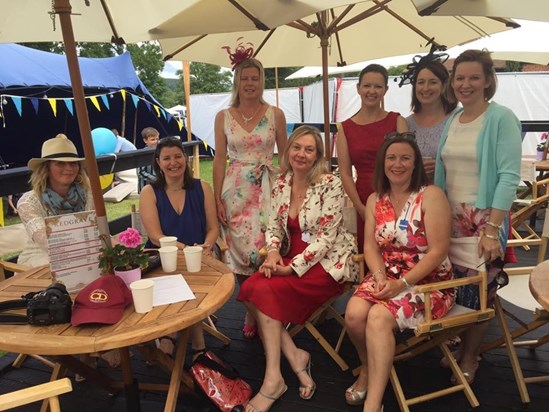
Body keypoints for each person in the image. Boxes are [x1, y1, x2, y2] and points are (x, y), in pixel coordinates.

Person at [237, 126, 358, 412]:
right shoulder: (281, 183)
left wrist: (291, 270)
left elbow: (327, 238)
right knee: (250, 287)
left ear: (318, 156)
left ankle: (272, 380)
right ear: (288, 149)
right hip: (290, 256)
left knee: (261, 291)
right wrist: (275, 251)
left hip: (327, 263)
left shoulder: (331, 183)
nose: (301, 154)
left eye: (309, 149)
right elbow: (275, 226)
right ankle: (294, 356)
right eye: (297, 147)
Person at [344, 133, 455, 411]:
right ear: (383, 163)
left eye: (405, 158)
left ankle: (374, 403)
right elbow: (370, 246)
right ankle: (368, 367)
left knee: (379, 317)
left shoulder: (431, 196)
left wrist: (403, 283)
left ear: (415, 163)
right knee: (355, 315)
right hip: (388, 275)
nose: (398, 164)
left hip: (429, 282)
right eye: (391, 158)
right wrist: (380, 277)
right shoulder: (374, 199)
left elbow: (438, 251)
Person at [434, 49, 521, 384]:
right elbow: (443, 171)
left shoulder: (501, 118)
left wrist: (492, 228)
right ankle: (462, 347)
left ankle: (471, 355)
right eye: (459, 77)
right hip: (451, 219)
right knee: (457, 288)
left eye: (473, 77)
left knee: (481, 292)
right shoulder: (453, 119)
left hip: (484, 220)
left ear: (487, 81)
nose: (465, 84)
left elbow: (509, 176)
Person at [213, 56, 287, 339]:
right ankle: (250, 308)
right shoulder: (223, 116)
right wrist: (218, 198)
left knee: (266, 246)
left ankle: (266, 307)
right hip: (235, 191)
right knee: (239, 251)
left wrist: (289, 190)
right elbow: (219, 159)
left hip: (269, 186)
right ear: (237, 82)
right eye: (244, 78)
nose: (250, 83)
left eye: (254, 78)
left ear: (261, 81)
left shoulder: (275, 114)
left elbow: (287, 155)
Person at [140, 136, 219, 357]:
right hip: (162, 259)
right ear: (158, 162)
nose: (173, 162)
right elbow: (156, 237)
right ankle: (187, 340)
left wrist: (207, 245)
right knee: (179, 279)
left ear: (185, 158)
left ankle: (179, 338)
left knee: (191, 276)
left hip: (200, 255)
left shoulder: (202, 187)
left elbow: (213, 228)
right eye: (166, 158)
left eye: (177, 156)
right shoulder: (149, 192)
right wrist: (188, 250)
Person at [337, 64, 408, 250]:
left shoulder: (397, 121)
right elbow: (344, 173)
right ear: (358, 88)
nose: (372, 91)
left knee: (400, 247)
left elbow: (409, 162)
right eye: (367, 86)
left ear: (385, 89)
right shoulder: (345, 128)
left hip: (397, 193)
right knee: (369, 249)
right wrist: (360, 207)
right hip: (364, 197)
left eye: (378, 86)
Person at [17, 134, 93, 267]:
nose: (69, 168)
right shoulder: (28, 202)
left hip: (85, 253)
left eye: (73, 163)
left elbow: (98, 228)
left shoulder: (88, 194)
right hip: (41, 259)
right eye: (60, 163)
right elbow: (47, 242)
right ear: (46, 168)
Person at [406, 59, 457, 181]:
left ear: (444, 85)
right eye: (421, 82)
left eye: (433, 82)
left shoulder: (458, 118)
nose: (425, 88)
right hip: (418, 195)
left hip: (452, 192)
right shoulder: (406, 124)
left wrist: (441, 167)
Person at [137, 127, 160, 193]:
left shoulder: (159, 151)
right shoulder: (143, 154)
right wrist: (155, 179)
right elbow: (140, 172)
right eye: (153, 140)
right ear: (145, 140)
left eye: (157, 139)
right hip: (145, 186)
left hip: (158, 185)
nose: (156, 141)